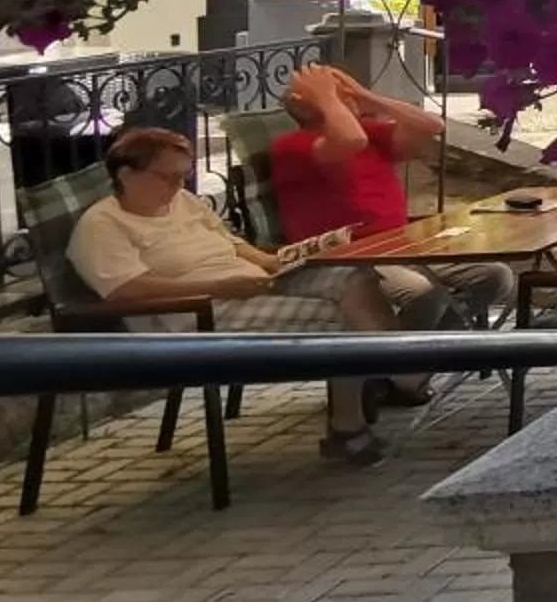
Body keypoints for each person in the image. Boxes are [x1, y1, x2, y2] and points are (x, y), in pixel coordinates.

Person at [68, 125, 413, 467]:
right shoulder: (102, 224)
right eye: (168, 177)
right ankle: (376, 400)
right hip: (197, 313)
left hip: (247, 287)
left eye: (182, 177)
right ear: (127, 174)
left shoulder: (183, 201)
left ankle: (399, 373)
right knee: (339, 319)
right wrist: (218, 288)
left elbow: (233, 245)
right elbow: (126, 289)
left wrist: (281, 260)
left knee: (351, 275)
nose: (178, 186)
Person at [271, 65, 519, 335]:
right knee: (421, 292)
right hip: (351, 256)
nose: (346, 95)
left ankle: (441, 347)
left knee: (496, 275)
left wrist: (365, 96)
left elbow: (432, 125)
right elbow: (350, 140)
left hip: (399, 245)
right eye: (335, 92)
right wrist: (327, 96)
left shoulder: (368, 132)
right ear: (305, 107)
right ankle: (402, 368)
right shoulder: (292, 145)